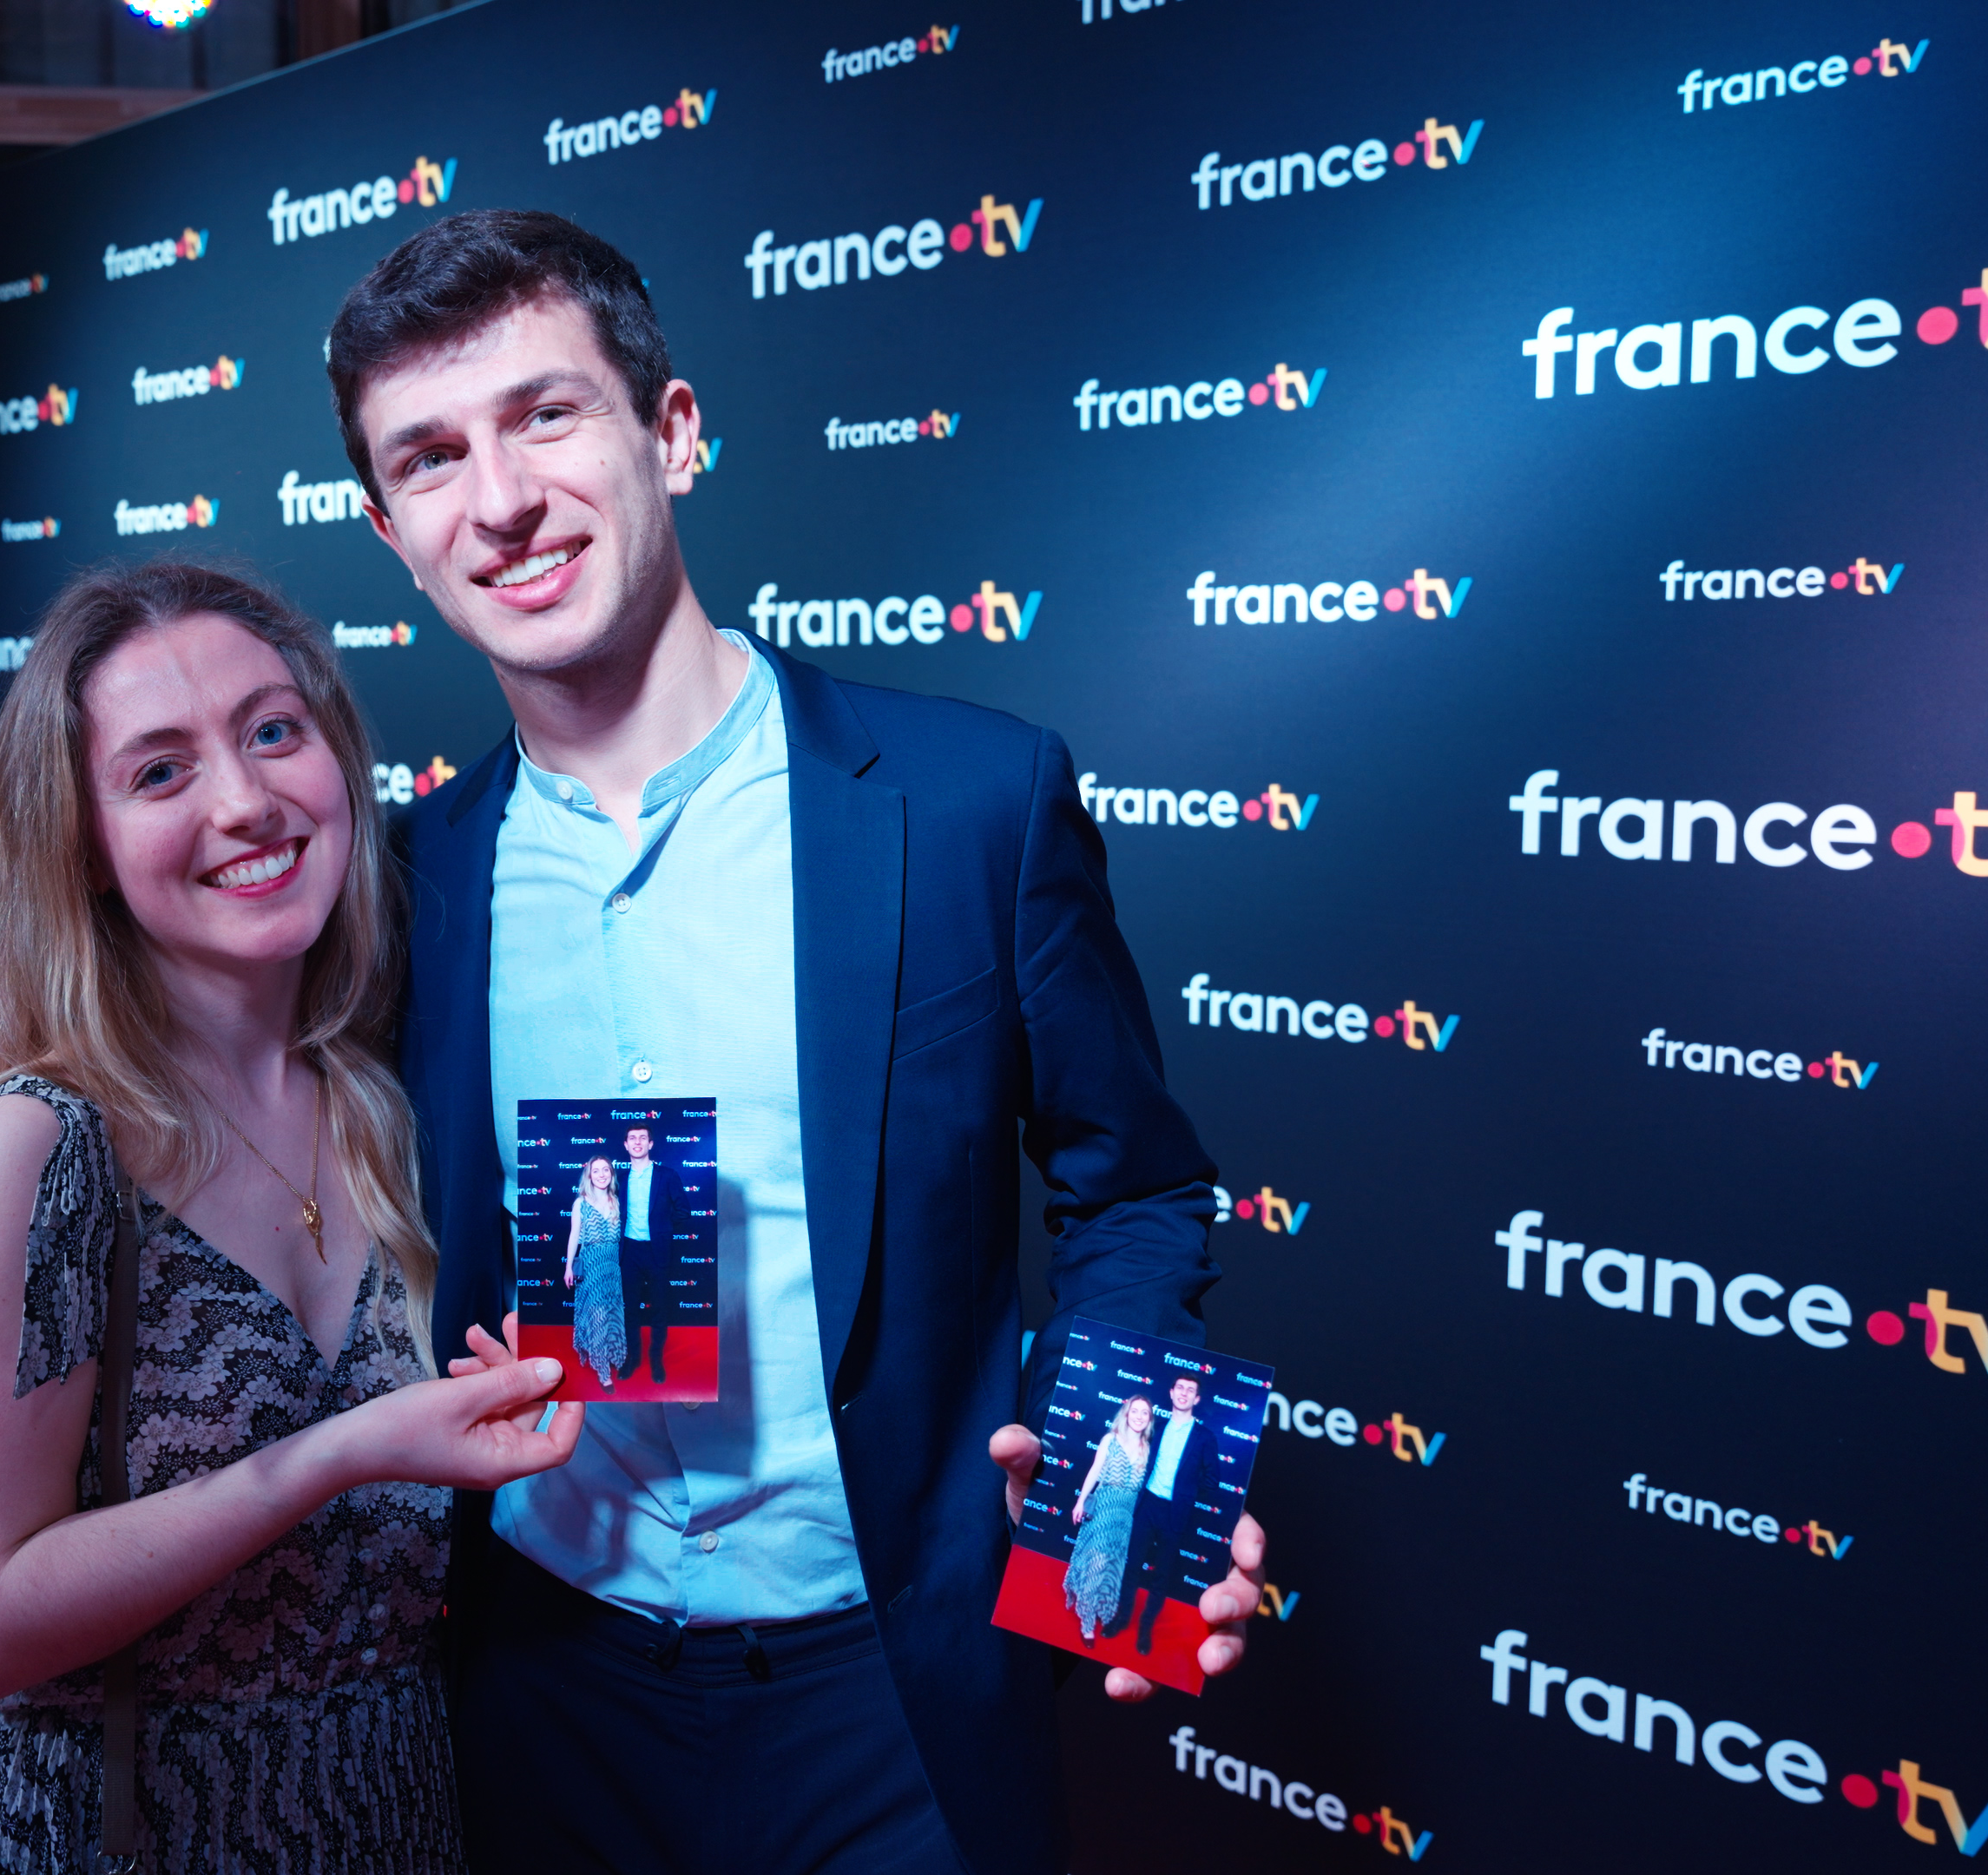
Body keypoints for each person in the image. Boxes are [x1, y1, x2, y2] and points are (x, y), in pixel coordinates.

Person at [332, 209, 1266, 1875]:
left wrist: (1132, 1493)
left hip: (893, 1698)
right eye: (431, 458)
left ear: (673, 433)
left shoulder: (971, 804)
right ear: (393, 532)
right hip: (544, 1685)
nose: (502, 499)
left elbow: (1137, 1190)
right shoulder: (412, 882)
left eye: (547, 415)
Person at [0, 562, 584, 1875]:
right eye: (161, 771)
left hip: (406, 1819)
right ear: (83, 848)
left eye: (273, 731)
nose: (245, 801)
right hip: (132, 1839)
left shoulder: (389, 1093)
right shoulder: (43, 1144)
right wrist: (342, 1453)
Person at [1125, 1374, 1218, 1655]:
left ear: (1196, 1399)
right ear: (1171, 1392)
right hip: (1148, 1504)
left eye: (1190, 1390)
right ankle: (1121, 1618)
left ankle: (1145, 1630)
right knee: (1131, 1565)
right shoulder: (1158, 1426)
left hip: (1175, 1511)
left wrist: (1186, 1491)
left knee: (1162, 1574)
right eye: (1180, 1388)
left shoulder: (1205, 1437)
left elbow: (1212, 1481)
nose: (1184, 1393)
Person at [1063, 1397, 1153, 1644]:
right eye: (1135, 1411)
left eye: (1145, 1413)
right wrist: (1081, 1501)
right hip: (1104, 1508)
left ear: (1149, 1420)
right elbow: (1095, 1471)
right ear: (1126, 1414)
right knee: (1098, 1562)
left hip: (1126, 1516)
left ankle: (1103, 1608)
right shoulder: (1111, 1439)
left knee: (1114, 1565)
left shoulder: (1147, 1448)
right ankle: (1087, 1622)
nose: (1139, 1416)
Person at [612, 1122, 679, 1382]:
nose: (637, 1142)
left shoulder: (667, 1176)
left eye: (642, 1138)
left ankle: (656, 1361)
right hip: (629, 1252)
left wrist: (662, 1228)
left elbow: (683, 1211)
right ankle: (633, 1359)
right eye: (632, 1138)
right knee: (630, 1310)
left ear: (650, 1144)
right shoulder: (619, 1178)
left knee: (659, 1309)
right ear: (626, 1145)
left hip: (657, 1251)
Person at [560, 1154, 628, 1390]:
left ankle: (614, 1354)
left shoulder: (617, 1201)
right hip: (591, 1266)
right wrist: (568, 1267)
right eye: (596, 1170)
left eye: (606, 1170)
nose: (601, 1174)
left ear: (611, 1174)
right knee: (598, 1317)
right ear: (589, 1175)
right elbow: (574, 1236)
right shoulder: (581, 1203)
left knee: (612, 1314)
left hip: (612, 1267)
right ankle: (603, 1371)